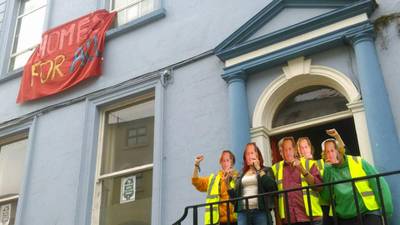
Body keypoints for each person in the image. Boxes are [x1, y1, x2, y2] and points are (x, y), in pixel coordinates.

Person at [320, 138, 393, 225]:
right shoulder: (328, 170)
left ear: (340, 150)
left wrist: (387, 210)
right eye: (327, 152)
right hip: (344, 218)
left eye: (332, 150)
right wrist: (327, 170)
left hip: (368, 213)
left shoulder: (358, 162)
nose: (330, 154)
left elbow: (379, 185)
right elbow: (326, 197)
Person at [296, 129, 345, 225]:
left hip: (331, 204)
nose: (303, 150)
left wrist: (337, 137)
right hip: (314, 208)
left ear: (310, 148)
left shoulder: (321, 162)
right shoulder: (297, 167)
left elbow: (341, 152)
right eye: (300, 148)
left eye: (305, 147)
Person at [272, 137, 323, 225]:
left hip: (312, 218)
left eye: (290, 149)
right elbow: (274, 196)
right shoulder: (275, 169)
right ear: (280, 152)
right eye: (284, 150)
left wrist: (301, 169)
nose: (287, 153)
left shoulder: (309, 164)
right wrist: (278, 219)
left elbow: (319, 187)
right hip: (289, 220)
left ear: (295, 150)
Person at [228, 143, 277, 225]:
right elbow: (235, 198)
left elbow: (272, 187)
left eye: (252, 153)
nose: (249, 156)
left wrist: (258, 169)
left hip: (261, 212)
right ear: (245, 158)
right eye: (247, 154)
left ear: (258, 155)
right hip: (243, 213)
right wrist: (227, 184)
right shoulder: (240, 174)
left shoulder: (266, 170)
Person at [192, 150, 238, 225]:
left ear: (232, 162)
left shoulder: (238, 178)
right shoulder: (213, 178)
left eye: (227, 160)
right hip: (217, 221)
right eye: (223, 161)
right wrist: (196, 165)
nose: (225, 163)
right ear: (220, 163)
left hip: (235, 220)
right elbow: (196, 182)